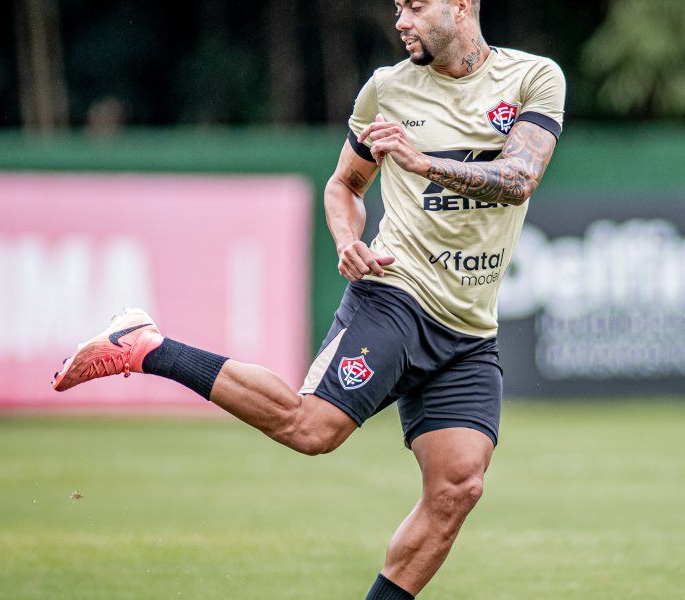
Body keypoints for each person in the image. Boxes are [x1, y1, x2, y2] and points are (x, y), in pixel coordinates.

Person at [52, 1, 564, 597]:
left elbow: (520, 177)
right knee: (312, 429)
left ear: (462, 5)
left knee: (458, 489)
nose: (401, 20)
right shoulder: (386, 91)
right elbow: (345, 184)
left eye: (416, 6)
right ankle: (144, 345)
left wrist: (424, 163)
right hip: (396, 296)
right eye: (397, 6)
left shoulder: (533, 77)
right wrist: (348, 239)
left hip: (469, 328)